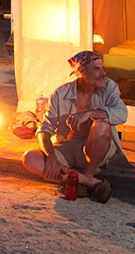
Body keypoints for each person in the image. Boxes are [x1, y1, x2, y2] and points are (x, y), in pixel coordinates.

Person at [21, 50, 127, 203]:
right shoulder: (61, 93)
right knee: (29, 158)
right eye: (97, 69)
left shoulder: (109, 87)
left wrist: (89, 113)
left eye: (102, 68)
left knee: (101, 125)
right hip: (68, 149)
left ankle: (82, 176)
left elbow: (122, 113)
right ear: (82, 72)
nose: (103, 73)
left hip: (98, 151)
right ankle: (88, 181)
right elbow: (44, 129)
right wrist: (51, 156)